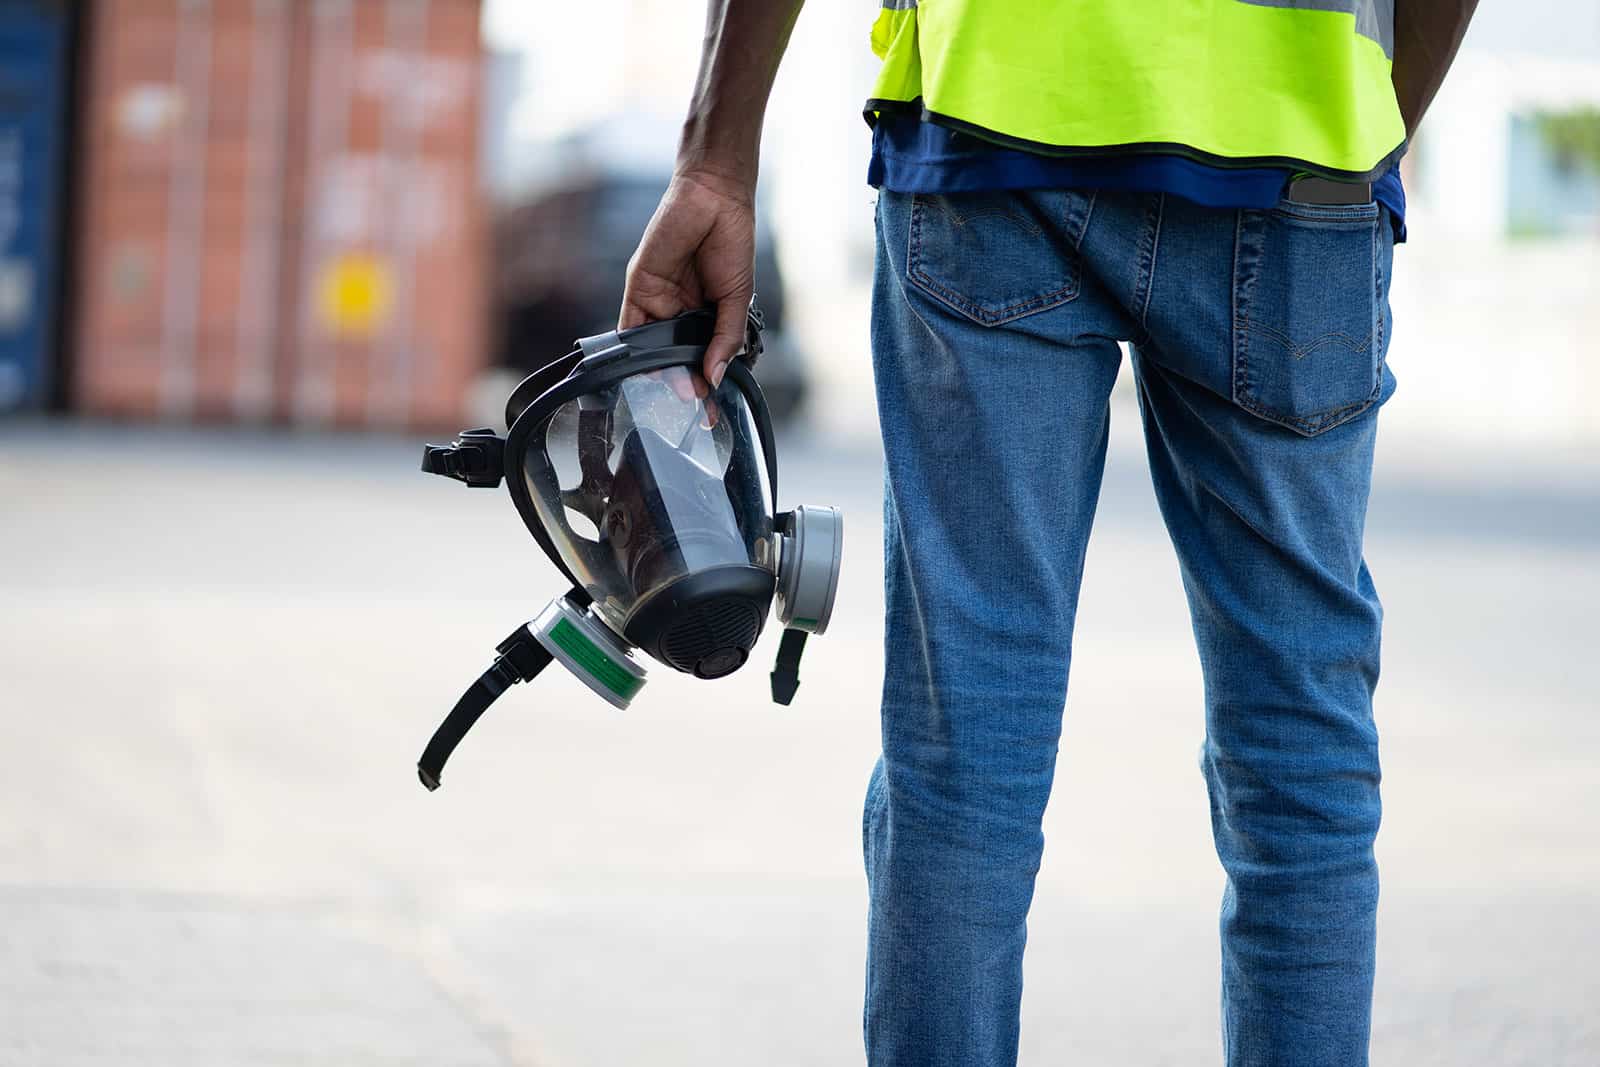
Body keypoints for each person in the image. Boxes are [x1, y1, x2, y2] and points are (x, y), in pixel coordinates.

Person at [620, 2, 1480, 1064]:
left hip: (995, 132)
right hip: (1293, 153)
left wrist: (713, 161)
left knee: (965, 730)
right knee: (1297, 737)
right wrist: (1366, 131)